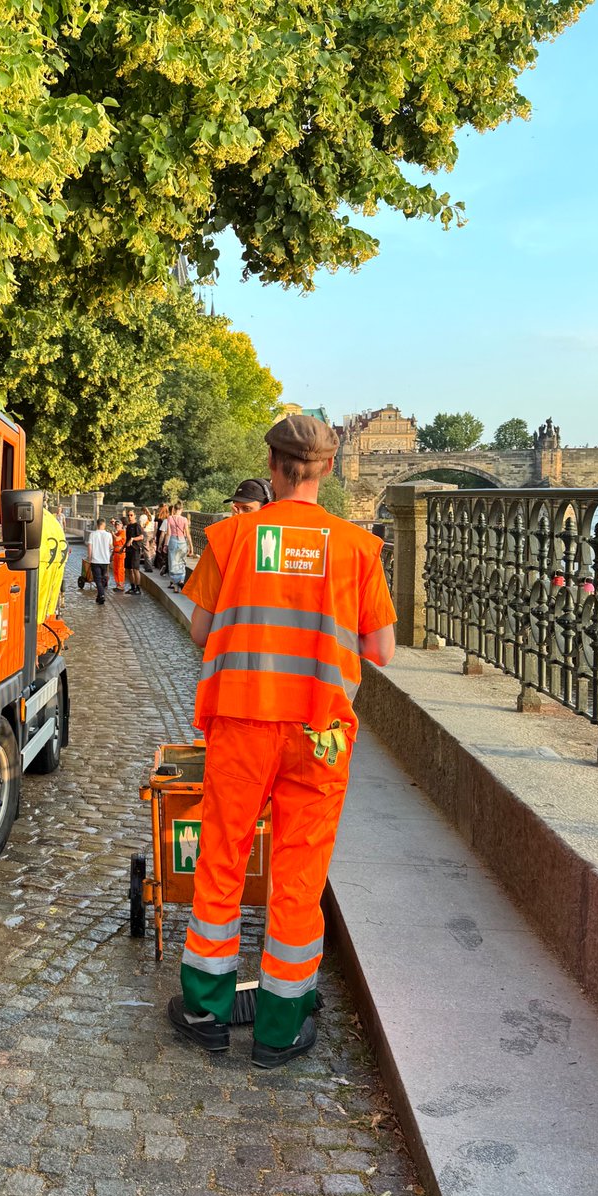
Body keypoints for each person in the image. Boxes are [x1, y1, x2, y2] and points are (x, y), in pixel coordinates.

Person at [167, 414, 396, 1069]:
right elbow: (381, 648)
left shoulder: (233, 535)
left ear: (272, 466)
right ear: (326, 470)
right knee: (298, 877)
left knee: (222, 864)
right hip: (319, 733)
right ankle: (280, 1027)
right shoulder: (356, 547)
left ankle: (205, 1012)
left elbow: (199, 630)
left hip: (242, 722)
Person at [164, 501, 194, 592]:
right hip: (182, 541)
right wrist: (191, 547)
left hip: (173, 540)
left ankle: (176, 587)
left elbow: (168, 533)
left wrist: (165, 545)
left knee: (173, 562)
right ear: (181, 509)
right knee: (182, 562)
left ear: (174, 509)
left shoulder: (170, 518)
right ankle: (181, 580)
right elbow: (188, 534)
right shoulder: (184, 519)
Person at [87, 518, 113, 605]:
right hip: (105, 560)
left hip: (95, 560)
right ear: (103, 525)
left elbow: (90, 547)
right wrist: (110, 556)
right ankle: (99, 597)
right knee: (102, 578)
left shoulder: (93, 534)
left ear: (97, 525)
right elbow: (111, 547)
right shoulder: (109, 535)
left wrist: (90, 558)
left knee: (97, 579)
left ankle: (101, 595)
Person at [123, 508, 145, 595]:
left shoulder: (137, 526)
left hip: (135, 550)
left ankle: (138, 588)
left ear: (135, 516)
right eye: (128, 515)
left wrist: (133, 539)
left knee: (135, 569)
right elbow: (127, 539)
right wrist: (122, 548)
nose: (129, 517)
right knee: (129, 569)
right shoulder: (128, 526)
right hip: (128, 550)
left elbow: (141, 537)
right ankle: (132, 587)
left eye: (131, 515)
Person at [110, 518, 127, 592]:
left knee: (120, 569)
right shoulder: (116, 533)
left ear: (121, 525)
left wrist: (113, 534)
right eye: (116, 525)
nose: (117, 526)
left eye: (118, 525)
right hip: (116, 553)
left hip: (121, 553)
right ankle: (118, 584)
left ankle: (121, 585)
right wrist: (112, 555)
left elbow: (117, 539)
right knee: (115, 569)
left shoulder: (123, 532)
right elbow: (114, 545)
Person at [154, 503, 170, 573]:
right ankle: (164, 564)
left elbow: (156, 526)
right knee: (165, 549)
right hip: (167, 534)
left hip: (160, 533)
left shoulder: (158, 516)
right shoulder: (168, 516)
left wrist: (154, 535)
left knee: (159, 548)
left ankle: (159, 564)